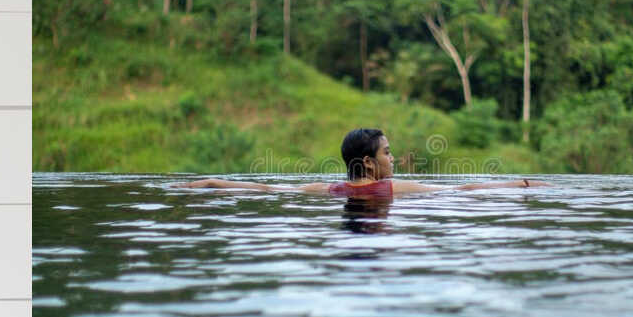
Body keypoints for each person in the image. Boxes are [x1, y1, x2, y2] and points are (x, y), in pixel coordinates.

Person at [185, 128, 543, 199]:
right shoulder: (392, 189)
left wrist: (213, 183)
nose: (394, 158)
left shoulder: (327, 191)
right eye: (387, 152)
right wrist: (521, 184)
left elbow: (266, 188)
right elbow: (463, 189)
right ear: (370, 165)